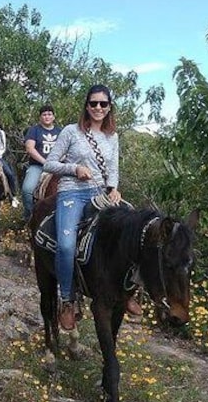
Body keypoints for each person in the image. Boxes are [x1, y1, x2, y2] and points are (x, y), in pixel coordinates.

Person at [42, 84, 141, 331]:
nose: (98, 108)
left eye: (103, 104)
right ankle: (67, 299)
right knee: (66, 245)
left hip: (100, 193)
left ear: (109, 107)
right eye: (94, 103)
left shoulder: (112, 136)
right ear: (87, 106)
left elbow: (114, 169)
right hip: (71, 192)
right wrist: (74, 169)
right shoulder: (70, 132)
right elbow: (49, 164)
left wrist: (114, 188)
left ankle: (129, 291)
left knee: (134, 232)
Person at [21, 104, 62, 221]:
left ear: (54, 116)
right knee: (27, 190)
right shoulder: (34, 130)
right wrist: (45, 162)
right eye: (44, 114)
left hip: (58, 166)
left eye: (49, 114)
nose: (47, 117)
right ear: (40, 117)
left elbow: (67, 148)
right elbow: (30, 148)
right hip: (38, 166)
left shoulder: (61, 131)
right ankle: (29, 216)